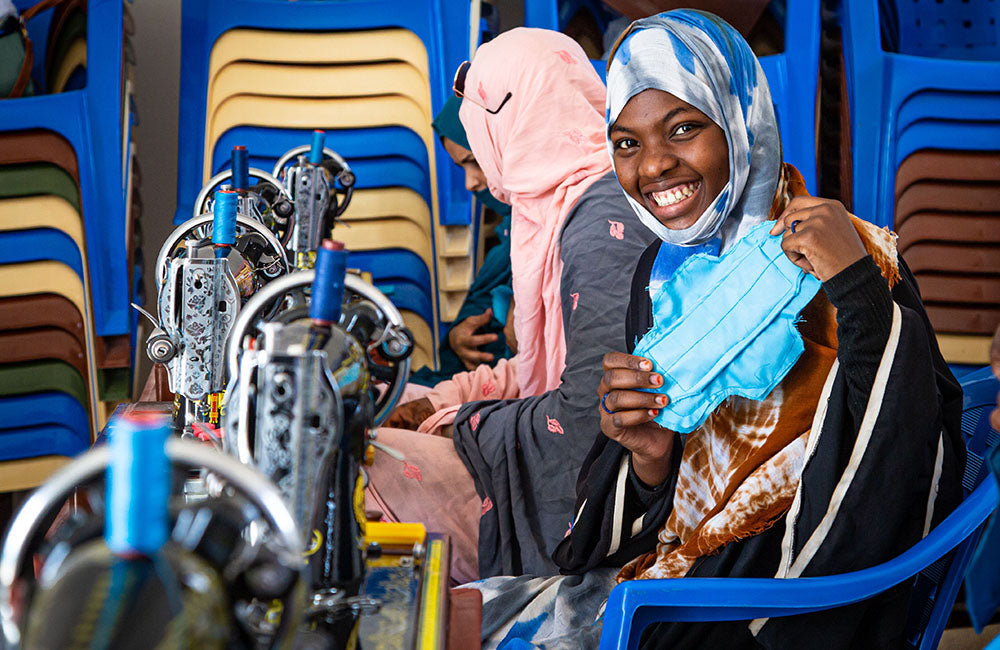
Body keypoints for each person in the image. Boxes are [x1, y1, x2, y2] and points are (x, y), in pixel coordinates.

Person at [472, 11, 965, 649]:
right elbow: (661, 491)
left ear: (739, 119)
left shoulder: (844, 257)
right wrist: (650, 459)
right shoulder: (662, 273)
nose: (652, 167)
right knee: (458, 613)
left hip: (759, 608)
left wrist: (857, 288)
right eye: (625, 143)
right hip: (673, 577)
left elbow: (896, 468)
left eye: (683, 129)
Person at [365, 28, 656, 584]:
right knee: (395, 402)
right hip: (568, 445)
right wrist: (444, 402)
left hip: (591, 499)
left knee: (360, 466)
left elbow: (588, 418)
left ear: (507, 121)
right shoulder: (560, 207)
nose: (482, 172)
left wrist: (457, 424)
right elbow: (542, 374)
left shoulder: (598, 226)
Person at [408, 96, 515, 387]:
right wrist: (457, 339)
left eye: (474, 162)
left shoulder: (547, 232)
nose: (470, 183)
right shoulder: (510, 234)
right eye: (462, 168)